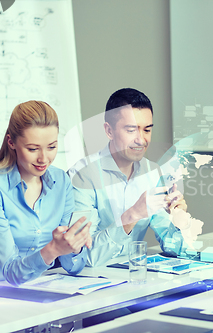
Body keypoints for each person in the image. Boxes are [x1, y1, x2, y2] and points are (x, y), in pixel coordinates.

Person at [0, 101, 92, 285]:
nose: (44, 158)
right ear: (11, 142)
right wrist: (53, 249)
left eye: (51, 147)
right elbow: (12, 272)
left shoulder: (61, 182)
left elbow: (73, 267)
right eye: (33, 149)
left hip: (32, 289)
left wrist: (74, 247)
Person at [70, 88, 191, 267]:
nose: (141, 140)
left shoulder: (153, 172)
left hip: (134, 277)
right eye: (131, 130)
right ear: (109, 131)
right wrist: (133, 215)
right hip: (90, 282)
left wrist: (179, 221)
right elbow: (84, 257)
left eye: (147, 130)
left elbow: (174, 248)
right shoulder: (82, 175)